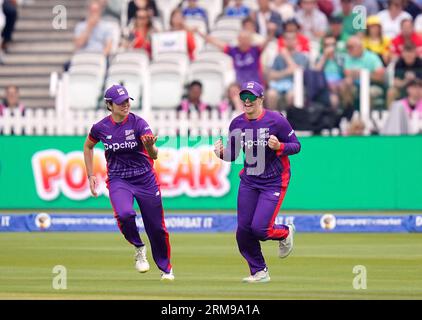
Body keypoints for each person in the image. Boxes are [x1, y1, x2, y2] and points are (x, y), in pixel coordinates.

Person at [83, 84, 174, 281]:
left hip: (145, 178)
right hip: (118, 179)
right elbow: (88, 146)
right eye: (120, 102)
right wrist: (90, 174)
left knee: (156, 227)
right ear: (109, 105)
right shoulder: (100, 128)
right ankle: (139, 247)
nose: (125, 105)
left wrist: (151, 148)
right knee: (125, 214)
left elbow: (154, 156)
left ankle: (166, 269)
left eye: (127, 101)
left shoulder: (139, 123)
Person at [214, 80, 301, 283]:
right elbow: (232, 154)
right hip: (250, 181)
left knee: (261, 229)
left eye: (251, 97)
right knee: (243, 231)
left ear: (261, 99)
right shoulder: (237, 123)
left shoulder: (276, 121)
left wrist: (279, 145)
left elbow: (296, 146)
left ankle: (285, 232)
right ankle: (259, 271)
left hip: (274, 181)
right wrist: (220, 153)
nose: (247, 101)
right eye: (244, 97)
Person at [197, 24, 277, 85]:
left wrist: (271, 32)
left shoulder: (255, 50)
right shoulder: (233, 51)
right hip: (240, 85)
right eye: (241, 39)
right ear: (238, 40)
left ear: (250, 40)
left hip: (255, 85)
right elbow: (215, 42)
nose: (244, 42)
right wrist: (200, 33)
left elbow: (267, 41)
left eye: (246, 39)